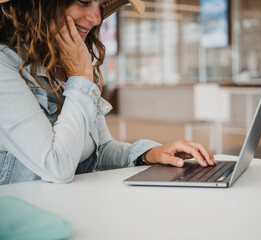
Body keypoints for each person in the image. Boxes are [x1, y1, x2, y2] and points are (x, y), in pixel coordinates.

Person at [0, 0, 215, 185]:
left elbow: (100, 150)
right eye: (84, 1)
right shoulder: (5, 66)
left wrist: (150, 154)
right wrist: (82, 77)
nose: (95, 18)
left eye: (101, 5)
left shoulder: (67, 65)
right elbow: (56, 165)